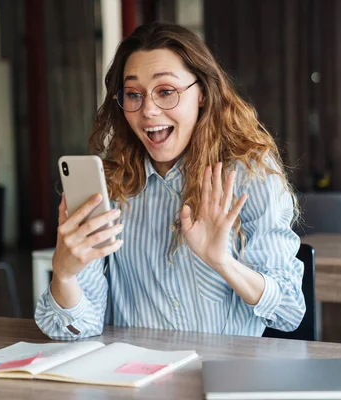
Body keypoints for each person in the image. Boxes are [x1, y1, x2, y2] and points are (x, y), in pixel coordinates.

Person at [35, 22, 305, 340]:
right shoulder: (110, 187)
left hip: (221, 375)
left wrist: (221, 262)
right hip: (135, 378)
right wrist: (64, 276)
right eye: (134, 94)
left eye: (166, 92)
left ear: (202, 93)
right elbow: (74, 330)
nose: (148, 109)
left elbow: (289, 311)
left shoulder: (248, 174)